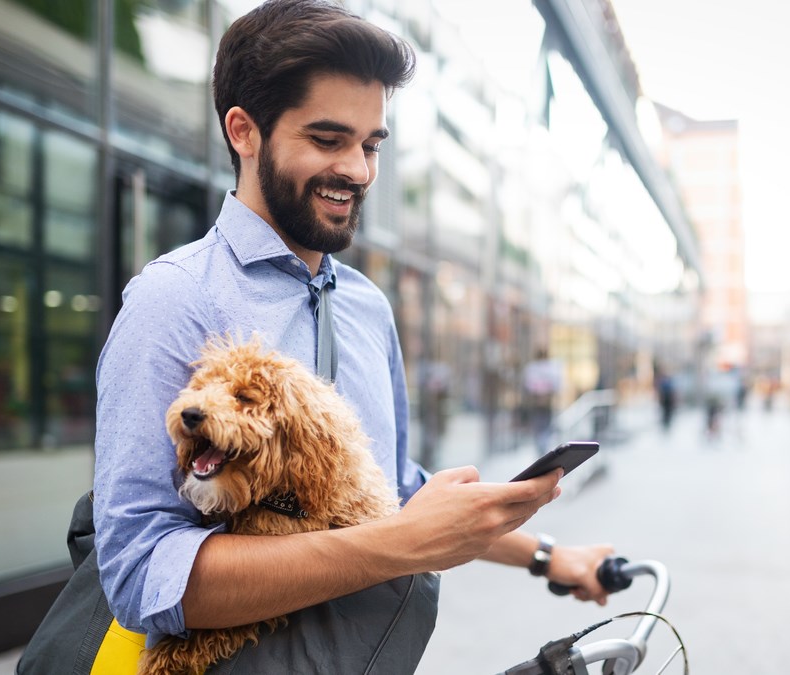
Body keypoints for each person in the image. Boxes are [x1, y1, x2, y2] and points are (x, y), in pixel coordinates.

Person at [92, 0, 613, 667]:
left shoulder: (367, 306)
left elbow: (388, 494)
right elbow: (141, 574)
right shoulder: (173, 299)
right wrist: (400, 545)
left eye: (370, 145)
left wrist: (547, 554)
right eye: (328, 140)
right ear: (244, 132)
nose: (360, 171)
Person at [523, 348, 562, 454]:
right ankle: (542, 448)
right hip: (541, 403)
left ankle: (542, 448)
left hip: (541, 403)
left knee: (542, 427)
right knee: (542, 426)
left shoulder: (533, 368)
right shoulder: (549, 368)